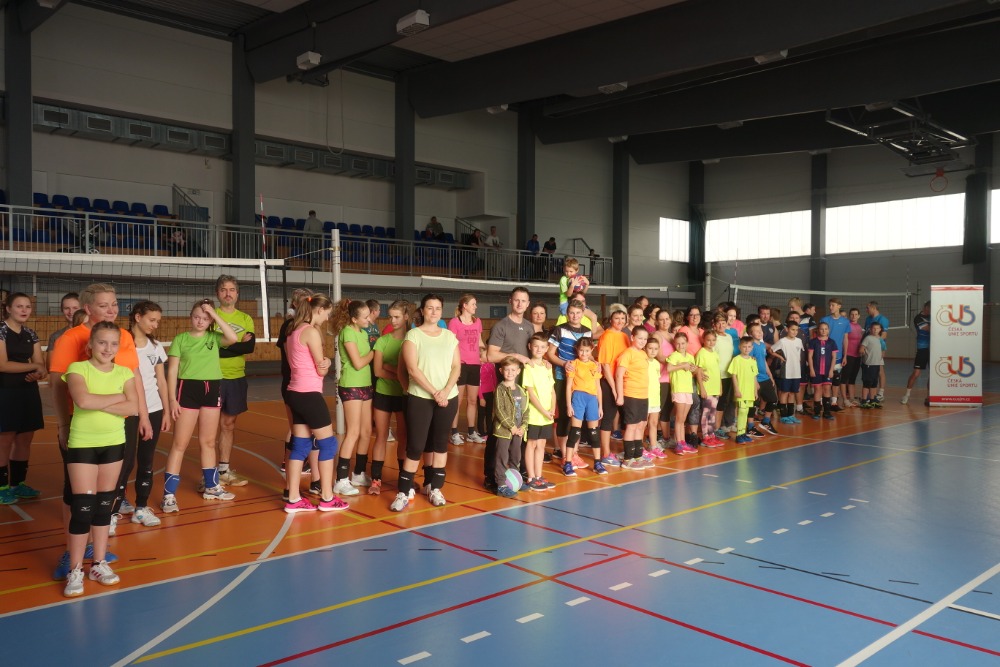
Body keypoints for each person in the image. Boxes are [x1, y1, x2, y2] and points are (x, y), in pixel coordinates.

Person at [49, 283, 149, 580]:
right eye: (104, 305)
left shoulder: (123, 336)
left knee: (111, 487)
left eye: (114, 304)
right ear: (88, 308)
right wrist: (63, 423)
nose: (112, 309)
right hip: (82, 425)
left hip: (118, 422)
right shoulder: (71, 338)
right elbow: (57, 384)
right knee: (76, 492)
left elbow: (134, 376)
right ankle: (72, 551)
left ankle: (96, 551)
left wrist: (142, 414)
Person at [60, 322, 139, 597]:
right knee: (83, 507)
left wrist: (101, 401)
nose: (108, 348)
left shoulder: (124, 372)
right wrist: (118, 397)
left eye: (113, 343)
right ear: (91, 345)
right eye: (102, 342)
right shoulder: (77, 369)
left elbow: (134, 406)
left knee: (105, 505)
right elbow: (83, 401)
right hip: (83, 444)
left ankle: (98, 563)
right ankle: (75, 570)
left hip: (114, 443)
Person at [163, 299, 239, 512]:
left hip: (212, 389)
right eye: (197, 317)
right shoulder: (181, 339)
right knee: (180, 443)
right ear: (191, 317)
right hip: (187, 390)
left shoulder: (214, 338)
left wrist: (214, 315)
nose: (200, 321)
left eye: (205, 318)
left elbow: (233, 338)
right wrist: (172, 399)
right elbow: (172, 371)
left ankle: (212, 487)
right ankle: (169, 495)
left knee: (208, 442)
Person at [391, 294, 460, 511]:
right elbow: (412, 369)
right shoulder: (413, 335)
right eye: (430, 308)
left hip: (448, 397)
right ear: (422, 311)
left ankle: (435, 488)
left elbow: (456, 367)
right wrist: (434, 392)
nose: (434, 312)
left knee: (440, 444)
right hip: (421, 397)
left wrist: (445, 391)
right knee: (415, 446)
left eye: (438, 308)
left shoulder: (449, 336)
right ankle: (403, 492)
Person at [282, 293, 347, 513]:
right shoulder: (310, 331)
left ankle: (293, 499)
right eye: (327, 314)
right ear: (319, 310)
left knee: (300, 446)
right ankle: (327, 497)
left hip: (294, 392)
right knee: (328, 444)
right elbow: (321, 368)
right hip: (309, 394)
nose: (327, 318)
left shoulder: (293, 330)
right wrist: (327, 362)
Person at [116, 301, 172, 528]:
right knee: (125, 460)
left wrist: (166, 410)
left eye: (158, 321)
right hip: (129, 410)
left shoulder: (155, 347)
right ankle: (116, 506)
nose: (155, 325)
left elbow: (161, 381)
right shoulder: (121, 343)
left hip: (154, 408)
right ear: (137, 317)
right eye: (152, 320)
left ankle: (141, 507)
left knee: (146, 460)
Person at [483, 287, 533, 492]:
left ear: (528, 304)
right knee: (498, 434)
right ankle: (491, 476)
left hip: (521, 389)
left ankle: (515, 476)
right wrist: (516, 356)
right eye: (516, 300)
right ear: (510, 301)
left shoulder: (529, 327)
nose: (520, 304)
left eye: (523, 301)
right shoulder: (501, 326)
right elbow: (491, 355)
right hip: (505, 390)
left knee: (519, 434)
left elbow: (534, 353)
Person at [0, 293, 47, 504]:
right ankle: (1, 487)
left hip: (28, 390)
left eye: (27, 306)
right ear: (8, 309)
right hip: (5, 390)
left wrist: (39, 373)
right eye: (19, 306)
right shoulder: (1, 331)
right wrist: (34, 366)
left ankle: (17, 484)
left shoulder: (30, 333)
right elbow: (3, 365)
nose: (24, 310)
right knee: (5, 439)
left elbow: (41, 365)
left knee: (24, 438)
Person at [214, 275, 256, 488]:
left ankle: (223, 470)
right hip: (213, 377)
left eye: (231, 290)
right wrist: (236, 346)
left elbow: (249, 348)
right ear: (217, 293)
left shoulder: (246, 319)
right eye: (223, 289)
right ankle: (208, 474)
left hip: (237, 377)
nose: (228, 293)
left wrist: (223, 347)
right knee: (209, 427)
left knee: (228, 424)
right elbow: (210, 349)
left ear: (237, 294)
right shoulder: (211, 316)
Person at [330, 299, 374, 496]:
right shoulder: (347, 332)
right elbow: (357, 363)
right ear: (354, 319)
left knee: (366, 431)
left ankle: (358, 473)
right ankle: (341, 480)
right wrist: (375, 351)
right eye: (365, 317)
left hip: (366, 384)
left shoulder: (363, 333)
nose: (369, 320)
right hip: (351, 385)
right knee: (353, 432)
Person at [371, 300, 410, 496]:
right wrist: (400, 375)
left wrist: (390, 367)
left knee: (403, 437)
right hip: (383, 394)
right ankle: (376, 479)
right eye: (390, 317)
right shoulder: (382, 341)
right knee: (381, 436)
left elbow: (412, 370)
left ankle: (404, 479)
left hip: (403, 395)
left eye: (397, 317)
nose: (393, 320)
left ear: (406, 317)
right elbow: (378, 371)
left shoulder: (411, 340)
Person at [547, 300, 593, 461]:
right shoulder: (560, 330)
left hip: (580, 380)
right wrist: (564, 364)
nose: (575, 316)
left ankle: (574, 453)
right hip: (562, 377)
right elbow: (550, 354)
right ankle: (565, 454)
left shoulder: (587, 331)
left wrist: (595, 364)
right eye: (572, 313)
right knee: (565, 416)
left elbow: (588, 354)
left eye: (578, 313)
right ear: (567, 314)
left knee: (577, 417)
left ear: (583, 314)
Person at [448, 294, 486, 446]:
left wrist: (485, 351)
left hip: (475, 365)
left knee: (472, 400)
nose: (476, 307)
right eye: (473, 304)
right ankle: (454, 432)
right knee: (457, 401)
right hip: (460, 365)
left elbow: (480, 341)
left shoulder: (478, 322)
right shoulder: (454, 322)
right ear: (465, 305)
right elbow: (450, 345)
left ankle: (471, 432)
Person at [565, 337, 604, 477]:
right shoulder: (573, 364)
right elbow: (568, 386)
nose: (584, 353)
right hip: (578, 397)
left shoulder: (594, 366)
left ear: (591, 350)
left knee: (594, 432)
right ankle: (568, 463)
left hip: (592, 399)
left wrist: (600, 406)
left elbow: (598, 388)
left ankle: (597, 463)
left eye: (587, 351)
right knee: (575, 431)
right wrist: (569, 405)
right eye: (581, 350)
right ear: (577, 350)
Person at [522, 332, 556, 491]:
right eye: (536, 346)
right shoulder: (528, 367)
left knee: (542, 445)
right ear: (530, 347)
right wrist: (543, 411)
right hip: (535, 415)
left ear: (547, 348)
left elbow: (552, 391)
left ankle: (538, 476)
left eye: (542, 347)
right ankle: (531, 477)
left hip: (547, 415)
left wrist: (552, 409)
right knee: (532, 444)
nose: (539, 349)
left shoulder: (548, 367)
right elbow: (530, 393)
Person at [615, 326, 652, 469]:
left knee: (641, 425)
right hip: (631, 394)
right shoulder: (627, 354)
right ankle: (627, 459)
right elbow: (619, 375)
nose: (642, 341)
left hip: (643, 395)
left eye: (645, 339)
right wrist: (620, 396)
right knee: (632, 426)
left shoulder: (643, 354)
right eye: (640, 338)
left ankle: (637, 455)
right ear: (632, 338)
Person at [597, 308, 629, 467]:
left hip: (623, 382)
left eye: (623, 318)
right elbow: (605, 365)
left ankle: (628, 451)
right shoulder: (606, 336)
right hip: (609, 382)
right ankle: (605, 454)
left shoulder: (624, 336)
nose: (620, 321)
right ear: (611, 320)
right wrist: (614, 389)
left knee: (627, 418)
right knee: (608, 418)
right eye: (617, 318)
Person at [492, 356, 527, 498]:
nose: (510, 373)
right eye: (507, 370)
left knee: (516, 456)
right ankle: (501, 484)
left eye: (513, 370)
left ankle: (515, 480)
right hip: (504, 431)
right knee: (502, 456)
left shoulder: (521, 390)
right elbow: (499, 410)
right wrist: (511, 426)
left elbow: (525, 410)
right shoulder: (500, 389)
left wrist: (523, 426)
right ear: (501, 371)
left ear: (518, 371)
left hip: (518, 431)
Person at [665, 332, 699, 455]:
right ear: (675, 344)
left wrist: (693, 369)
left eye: (683, 343)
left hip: (688, 389)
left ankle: (683, 442)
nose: (681, 346)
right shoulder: (674, 355)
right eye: (678, 343)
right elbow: (669, 368)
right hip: (678, 389)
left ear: (687, 343)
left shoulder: (690, 356)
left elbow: (692, 371)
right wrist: (682, 365)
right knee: (679, 418)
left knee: (683, 419)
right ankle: (678, 443)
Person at [747, 322, 779, 437]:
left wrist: (770, 375)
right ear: (750, 333)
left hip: (764, 377)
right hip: (755, 379)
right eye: (756, 331)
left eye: (760, 330)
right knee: (753, 403)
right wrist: (754, 380)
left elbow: (764, 361)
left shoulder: (761, 345)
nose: (760, 332)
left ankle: (766, 421)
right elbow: (750, 363)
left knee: (773, 399)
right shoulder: (750, 346)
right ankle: (750, 427)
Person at [694, 330, 725, 448]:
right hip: (707, 388)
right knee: (706, 412)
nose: (711, 342)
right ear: (703, 340)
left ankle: (711, 434)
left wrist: (720, 387)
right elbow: (698, 371)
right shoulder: (701, 353)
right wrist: (702, 388)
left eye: (713, 340)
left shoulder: (715, 353)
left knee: (713, 413)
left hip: (715, 387)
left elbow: (717, 371)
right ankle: (705, 436)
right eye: (708, 340)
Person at [771, 320, 805, 425]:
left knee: (792, 393)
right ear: (787, 329)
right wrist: (780, 357)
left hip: (796, 371)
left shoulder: (799, 341)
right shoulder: (783, 341)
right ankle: (783, 416)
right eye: (792, 329)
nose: (794, 332)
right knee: (784, 392)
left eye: (796, 330)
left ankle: (791, 415)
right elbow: (771, 350)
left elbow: (799, 353)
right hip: (786, 371)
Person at [728, 336, 760, 445]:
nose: (747, 349)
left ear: (752, 347)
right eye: (744, 346)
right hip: (741, 391)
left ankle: (743, 433)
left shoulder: (752, 361)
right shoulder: (736, 360)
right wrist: (736, 389)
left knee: (746, 412)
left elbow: (754, 376)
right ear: (740, 347)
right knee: (741, 411)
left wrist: (755, 391)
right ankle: (739, 435)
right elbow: (733, 375)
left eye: (749, 347)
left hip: (750, 391)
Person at [902, 301, 931, 405]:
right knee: (916, 373)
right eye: (930, 308)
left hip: (933, 349)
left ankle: (929, 397)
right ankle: (906, 395)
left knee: (932, 374)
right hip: (922, 348)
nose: (931, 311)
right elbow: (929, 329)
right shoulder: (918, 318)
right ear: (926, 307)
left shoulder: (933, 317)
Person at [807, 321, 838, 420]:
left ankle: (827, 412)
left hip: (827, 370)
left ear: (828, 330)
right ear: (818, 330)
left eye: (825, 329)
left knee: (827, 389)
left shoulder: (832, 342)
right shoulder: (813, 342)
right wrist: (811, 369)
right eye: (821, 329)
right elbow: (810, 356)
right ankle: (817, 412)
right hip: (816, 370)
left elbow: (834, 357)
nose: (824, 331)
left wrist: (831, 370)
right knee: (817, 390)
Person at [644, 337, 669, 457]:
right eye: (650, 348)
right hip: (644, 397)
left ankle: (653, 446)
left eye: (655, 349)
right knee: (642, 424)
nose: (653, 351)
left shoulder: (657, 364)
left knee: (653, 423)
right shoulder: (643, 362)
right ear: (645, 348)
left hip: (655, 397)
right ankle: (640, 447)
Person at [864, 301, 890, 402]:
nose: (866, 310)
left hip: (877, 349)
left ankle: (881, 393)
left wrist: (875, 344)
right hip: (868, 349)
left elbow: (884, 335)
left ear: (874, 308)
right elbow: (866, 333)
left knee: (879, 369)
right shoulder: (868, 319)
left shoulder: (883, 319)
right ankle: (869, 394)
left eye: (868, 308)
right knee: (869, 370)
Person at [46, 292, 80, 368]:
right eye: (66, 308)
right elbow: (50, 367)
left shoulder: (92, 333)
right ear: (62, 310)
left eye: (75, 308)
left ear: (82, 309)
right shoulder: (56, 336)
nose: (71, 312)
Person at [841, 308, 865, 408]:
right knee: (844, 378)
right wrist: (844, 355)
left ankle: (851, 398)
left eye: (856, 314)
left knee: (852, 378)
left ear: (859, 316)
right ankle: (845, 399)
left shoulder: (859, 327)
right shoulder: (847, 325)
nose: (854, 316)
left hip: (857, 356)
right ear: (849, 316)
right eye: (852, 314)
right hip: (848, 355)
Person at [859, 321, 885, 409]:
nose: (875, 330)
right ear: (870, 329)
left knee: (874, 383)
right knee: (867, 383)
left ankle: (872, 400)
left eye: (877, 328)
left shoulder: (880, 339)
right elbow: (861, 349)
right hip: (869, 364)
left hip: (876, 364)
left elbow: (882, 350)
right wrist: (864, 354)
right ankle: (864, 401)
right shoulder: (868, 338)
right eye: (874, 328)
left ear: (880, 329)